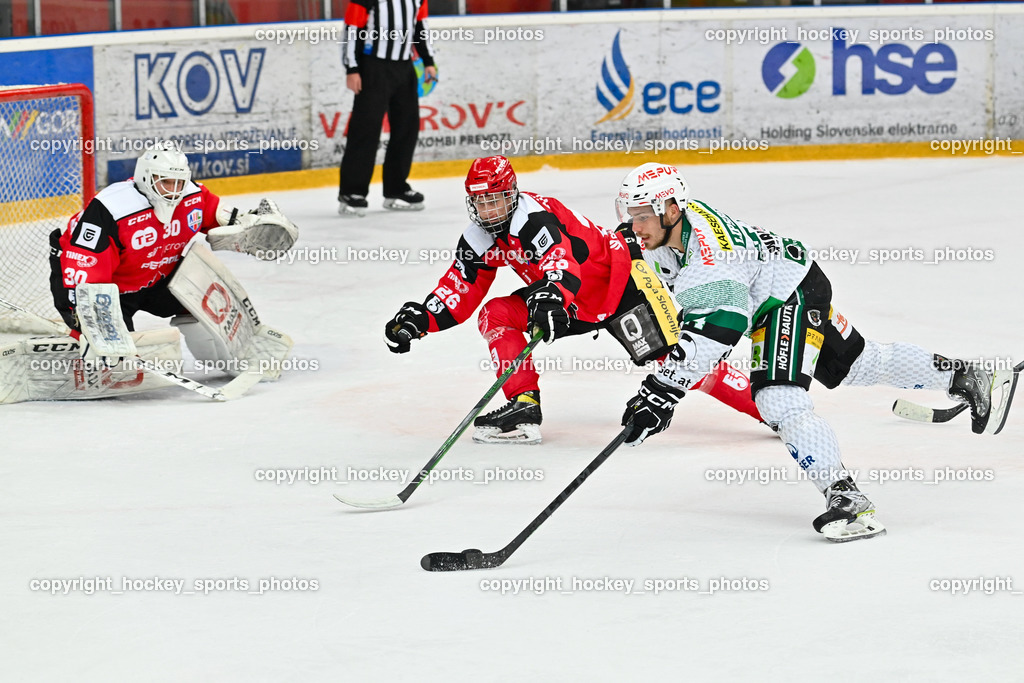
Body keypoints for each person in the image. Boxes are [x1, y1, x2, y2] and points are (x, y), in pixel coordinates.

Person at [616, 162, 1015, 542]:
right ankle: (963, 376)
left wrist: (661, 391)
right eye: (631, 214)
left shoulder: (709, 258)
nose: (636, 226)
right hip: (791, 277)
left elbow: (720, 330)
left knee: (777, 395)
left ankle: (847, 498)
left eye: (643, 216)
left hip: (787, 294)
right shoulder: (667, 229)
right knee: (859, 363)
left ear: (672, 209)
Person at [384, 155, 762, 445]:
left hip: (620, 287)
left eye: (495, 201)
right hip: (566, 304)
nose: (488, 212)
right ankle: (524, 407)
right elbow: (460, 287)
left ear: (511, 194)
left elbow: (562, 261)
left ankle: (765, 407)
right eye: (480, 204)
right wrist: (422, 319)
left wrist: (552, 296)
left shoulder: (534, 219)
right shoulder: (479, 237)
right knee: (496, 314)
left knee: (678, 361)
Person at [48, 141, 297, 372]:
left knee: (209, 298)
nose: (174, 191)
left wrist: (249, 226)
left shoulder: (192, 197)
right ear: (146, 177)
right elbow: (86, 275)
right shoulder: (111, 210)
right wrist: (94, 325)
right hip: (102, 287)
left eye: (179, 182)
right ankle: (82, 355)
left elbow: (223, 220)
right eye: (166, 182)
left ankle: (233, 357)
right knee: (114, 358)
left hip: (154, 278)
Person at [338, 0, 437, 217]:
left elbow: (420, 26)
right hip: (373, 66)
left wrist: (428, 60)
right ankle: (352, 192)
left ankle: (396, 188)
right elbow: (352, 29)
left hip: (405, 67)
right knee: (365, 129)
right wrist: (352, 67)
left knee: (406, 128)